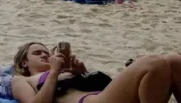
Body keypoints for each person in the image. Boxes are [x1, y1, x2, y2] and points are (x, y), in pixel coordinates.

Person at [10, 41, 181, 103]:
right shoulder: (21, 80)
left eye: (46, 52)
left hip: (109, 95)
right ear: (24, 62)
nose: (44, 54)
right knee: (153, 63)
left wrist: (83, 73)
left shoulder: (65, 72)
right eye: (37, 53)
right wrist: (54, 72)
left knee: (174, 60)